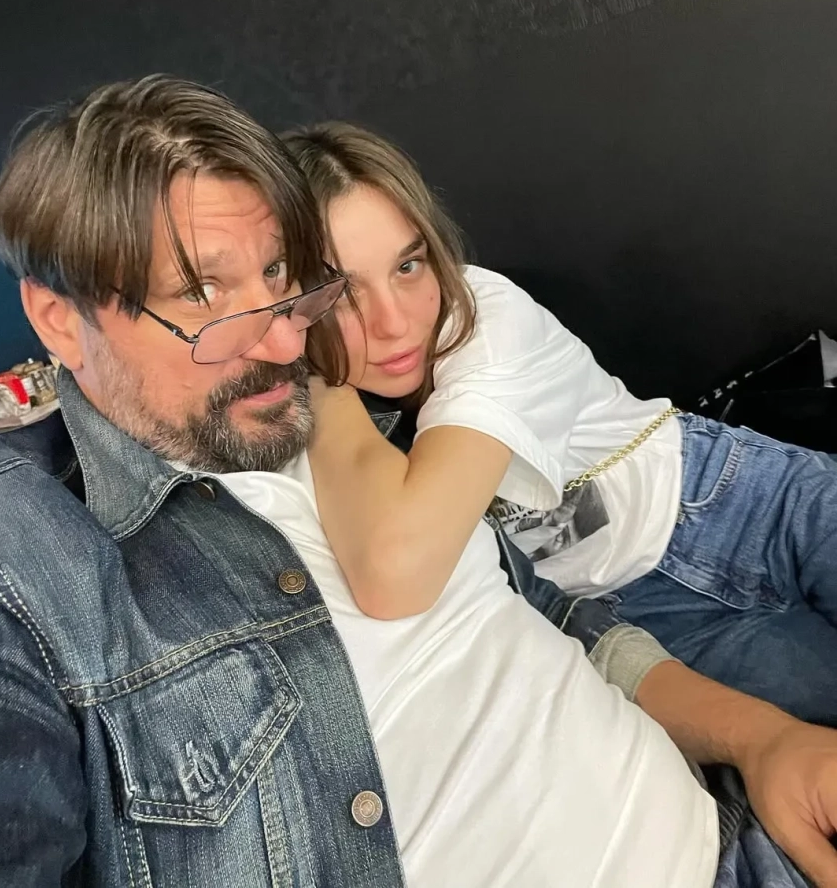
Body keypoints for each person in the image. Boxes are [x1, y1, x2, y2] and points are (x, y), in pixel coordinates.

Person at [0, 76, 834, 888]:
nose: (285, 340)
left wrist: (762, 740)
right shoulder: (27, 563)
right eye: (205, 292)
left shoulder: (382, 395)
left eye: (278, 275)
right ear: (59, 318)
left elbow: (552, 616)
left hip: (730, 751)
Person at [282, 120, 837, 734]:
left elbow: (399, 570)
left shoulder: (485, 315)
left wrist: (319, 379)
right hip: (644, 618)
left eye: (409, 266)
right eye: (339, 292)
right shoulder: (293, 422)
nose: (394, 322)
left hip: (730, 500)